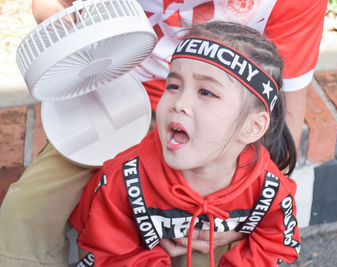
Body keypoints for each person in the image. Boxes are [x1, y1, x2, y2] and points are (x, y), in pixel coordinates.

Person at [0, 0, 327, 266]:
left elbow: (285, 106)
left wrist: (245, 217)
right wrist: (67, 29)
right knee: (22, 217)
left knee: (202, 250)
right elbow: (52, 4)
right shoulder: (119, 178)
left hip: (217, 123)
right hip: (110, 99)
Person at [69, 21, 300, 267]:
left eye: (206, 92)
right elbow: (111, 255)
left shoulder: (269, 190)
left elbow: (275, 245)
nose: (179, 102)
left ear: (252, 127)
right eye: (174, 86)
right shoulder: (121, 181)